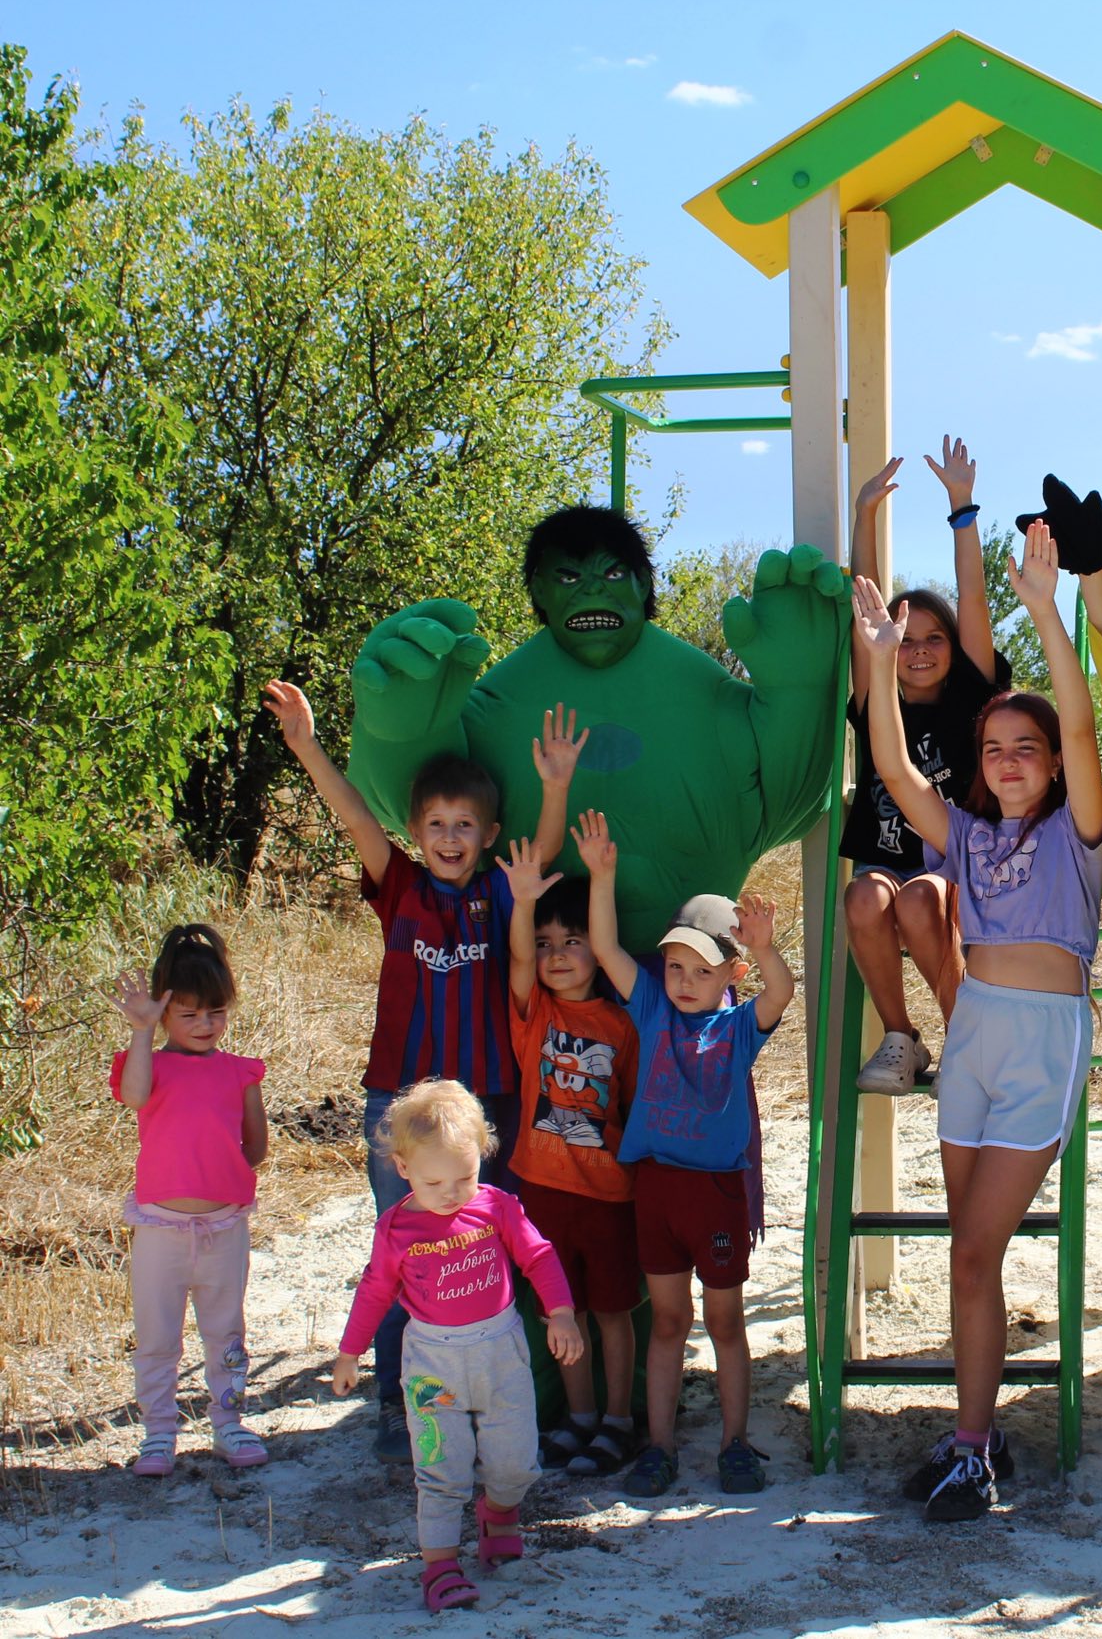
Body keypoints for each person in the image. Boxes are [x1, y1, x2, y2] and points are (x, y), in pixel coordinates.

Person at [850, 517, 1102, 1524]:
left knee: (969, 1251)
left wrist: (1043, 611)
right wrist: (881, 665)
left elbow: (1081, 727)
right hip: (974, 1040)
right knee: (972, 1252)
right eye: (993, 748)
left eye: (1024, 749)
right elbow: (894, 771)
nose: (1007, 761)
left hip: (1043, 1041)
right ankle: (978, 1432)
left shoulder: (1078, 832)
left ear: (1051, 765)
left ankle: (972, 1453)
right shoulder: (963, 834)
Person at [264, 678, 584, 1462]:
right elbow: (354, 818)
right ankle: (395, 1403)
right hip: (400, 1101)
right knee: (401, 1245)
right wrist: (307, 746)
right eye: (436, 824)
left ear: (488, 833)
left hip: (488, 1099)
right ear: (416, 831)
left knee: (487, 1241)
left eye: (464, 825)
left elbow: (541, 854)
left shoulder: (498, 893)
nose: (449, 837)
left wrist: (556, 786)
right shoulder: (401, 887)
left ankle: (490, 1392)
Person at [576, 810, 793, 1499]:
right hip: (659, 1191)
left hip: (716, 1196)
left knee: (725, 1322)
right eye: (675, 966)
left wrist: (765, 948)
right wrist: (601, 876)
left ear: (731, 972)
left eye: (702, 968)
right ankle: (661, 1447)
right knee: (669, 1322)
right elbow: (606, 948)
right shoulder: (652, 1011)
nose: (685, 980)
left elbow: (782, 993)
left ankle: (735, 1444)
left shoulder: (739, 1026)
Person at [333, 1080, 582, 1612]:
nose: (451, 1193)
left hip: (500, 1352)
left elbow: (538, 1256)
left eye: (465, 1176)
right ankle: (441, 1565)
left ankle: (500, 1512)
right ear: (403, 1168)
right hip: (433, 1362)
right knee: (441, 1467)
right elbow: (375, 1291)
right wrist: (350, 1352)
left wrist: (560, 1312)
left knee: (515, 1462)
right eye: (434, 1182)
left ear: (481, 1158)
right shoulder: (397, 1228)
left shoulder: (497, 1208)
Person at [841, 438, 1012, 1094]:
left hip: (960, 863)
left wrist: (962, 507)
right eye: (905, 640)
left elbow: (973, 596)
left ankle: (964, 1038)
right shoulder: (876, 696)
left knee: (920, 900)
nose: (917, 650)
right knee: (865, 897)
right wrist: (864, 517)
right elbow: (865, 606)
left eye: (933, 638)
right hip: (888, 857)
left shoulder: (972, 699)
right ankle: (901, 1038)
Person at [498, 840, 641, 1476]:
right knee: (565, 1311)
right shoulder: (535, 1012)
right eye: (546, 942)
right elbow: (518, 959)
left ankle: (619, 1421)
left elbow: (631, 1107)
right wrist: (523, 903)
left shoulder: (623, 1024)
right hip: (542, 1189)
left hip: (609, 1194)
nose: (556, 954)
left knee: (612, 1312)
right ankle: (579, 1417)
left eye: (572, 941)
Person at [109, 925, 270, 1476]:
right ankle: (158, 1432)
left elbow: (256, 1147)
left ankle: (228, 1422)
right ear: (164, 1012)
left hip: (224, 1228)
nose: (205, 1024)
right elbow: (134, 1096)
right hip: (160, 1230)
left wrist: (219, 1166)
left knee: (226, 1332)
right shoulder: (148, 1066)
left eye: (216, 1012)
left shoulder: (241, 1071)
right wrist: (141, 1032)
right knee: (157, 1336)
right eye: (189, 1014)